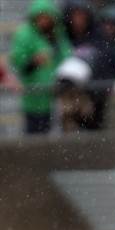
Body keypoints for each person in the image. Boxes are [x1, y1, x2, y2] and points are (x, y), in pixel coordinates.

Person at [9, 0, 71, 134]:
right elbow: (18, 61)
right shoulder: (25, 34)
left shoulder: (57, 34)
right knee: (34, 132)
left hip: (55, 95)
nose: (44, 21)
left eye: (46, 17)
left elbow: (66, 55)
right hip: (33, 96)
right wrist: (34, 60)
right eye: (40, 17)